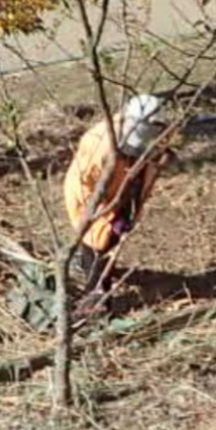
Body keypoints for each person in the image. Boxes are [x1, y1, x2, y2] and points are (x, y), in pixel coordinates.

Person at [62, 93, 167, 303]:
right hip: (91, 198)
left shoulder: (158, 132)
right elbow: (82, 186)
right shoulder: (98, 142)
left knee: (112, 237)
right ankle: (96, 299)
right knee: (96, 239)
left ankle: (91, 266)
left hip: (125, 188)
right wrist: (106, 215)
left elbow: (152, 163)